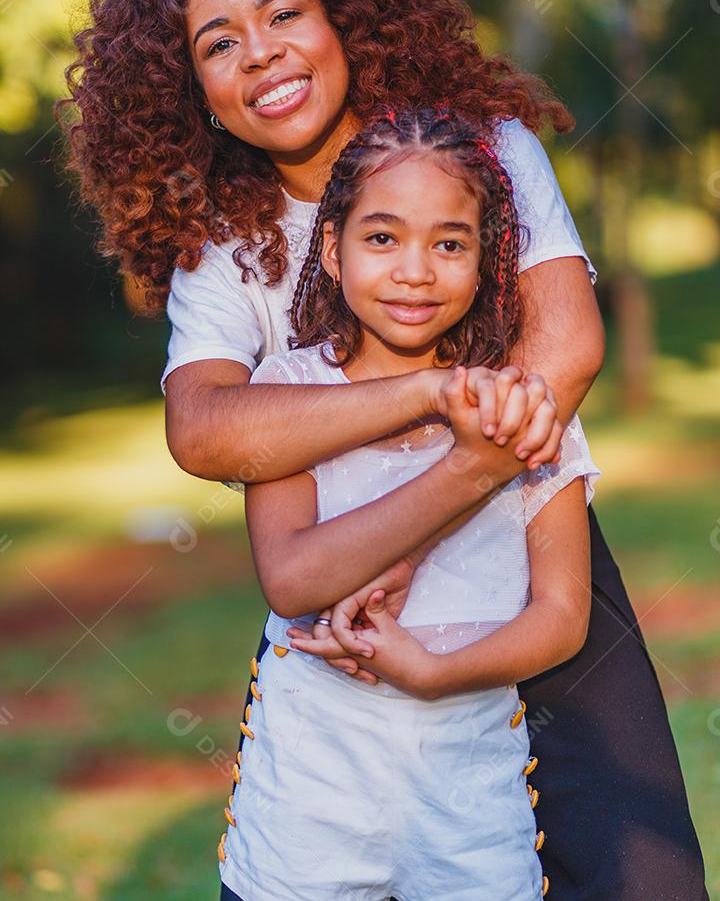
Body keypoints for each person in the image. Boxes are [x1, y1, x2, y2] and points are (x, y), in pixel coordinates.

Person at [59, 0, 707, 901]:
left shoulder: (481, 152)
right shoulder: (223, 247)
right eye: (217, 44)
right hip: (339, 576)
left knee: (640, 874)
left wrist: (436, 506)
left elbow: (566, 348)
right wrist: (417, 415)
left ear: (345, 13)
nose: (259, 52)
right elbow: (207, 428)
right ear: (194, 93)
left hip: (526, 541)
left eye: (283, 12)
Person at [217, 105, 601, 900]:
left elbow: (563, 615)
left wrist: (437, 671)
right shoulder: (289, 397)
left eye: (449, 243)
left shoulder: (525, 412)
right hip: (310, 798)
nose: (416, 272)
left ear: (485, 262)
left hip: (472, 799)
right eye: (383, 237)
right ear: (331, 247)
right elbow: (292, 582)